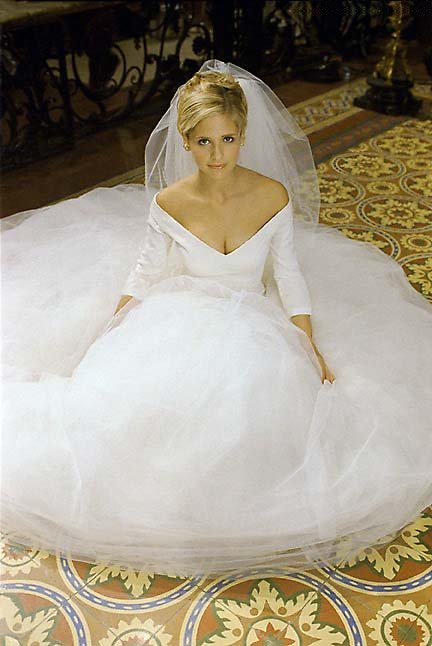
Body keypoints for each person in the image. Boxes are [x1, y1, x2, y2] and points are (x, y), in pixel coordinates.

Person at [1, 60, 431, 578]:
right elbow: (144, 273)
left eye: (227, 139)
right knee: (149, 415)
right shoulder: (169, 203)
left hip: (255, 315)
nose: (217, 155)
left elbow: (288, 275)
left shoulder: (272, 196)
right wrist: (108, 334)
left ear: (243, 136)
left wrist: (309, 344)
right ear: (185, 142)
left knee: (261, 403)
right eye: (204, 142)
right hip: (183, 313)